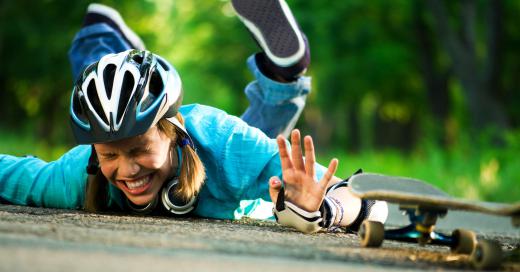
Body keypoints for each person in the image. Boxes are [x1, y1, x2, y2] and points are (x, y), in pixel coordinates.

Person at [0, 1, 388, 234]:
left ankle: (282, 79)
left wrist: (318, 210)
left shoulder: (222, 141)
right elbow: (14, 175)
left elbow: (350, 196)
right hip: (222, 169)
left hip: (224, 166)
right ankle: (280, 77)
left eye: (138, 149)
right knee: (97, 83)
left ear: (174, 129)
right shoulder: (79, 174)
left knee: (261, 151)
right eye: (109, 156)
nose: (127, 170)